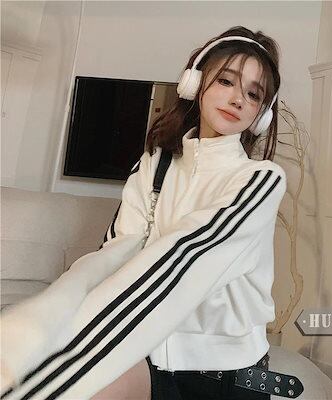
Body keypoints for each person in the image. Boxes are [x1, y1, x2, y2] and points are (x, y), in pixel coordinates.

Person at [0, 26, 289, 400]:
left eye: (253, 94)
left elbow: (185, 256)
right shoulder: (155, 165)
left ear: (261, 113)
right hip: (147, 357)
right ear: (195, 82)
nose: (237, 99)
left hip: (223, 376)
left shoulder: (260, 180)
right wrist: (40, 324)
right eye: (226, 81)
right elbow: (114, 254)